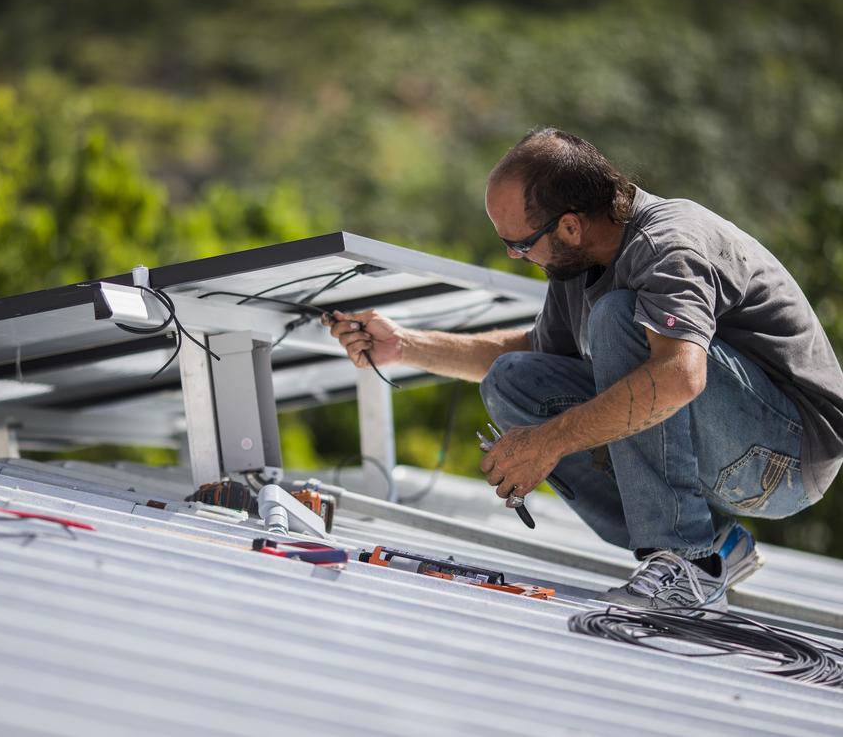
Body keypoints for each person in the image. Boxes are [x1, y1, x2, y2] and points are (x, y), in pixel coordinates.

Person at [324, 128, 843, 610]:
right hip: (724, 441)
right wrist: (406, 347)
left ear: (569, 225)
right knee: (515, 378)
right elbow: (539, 355)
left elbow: (680, 376)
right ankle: (713, 545)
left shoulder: (667, 246)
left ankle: (687, 562)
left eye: (520, 244)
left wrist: (546, 444)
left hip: (788, 457)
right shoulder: (578, 260)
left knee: (620, 316)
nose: (513, 256)